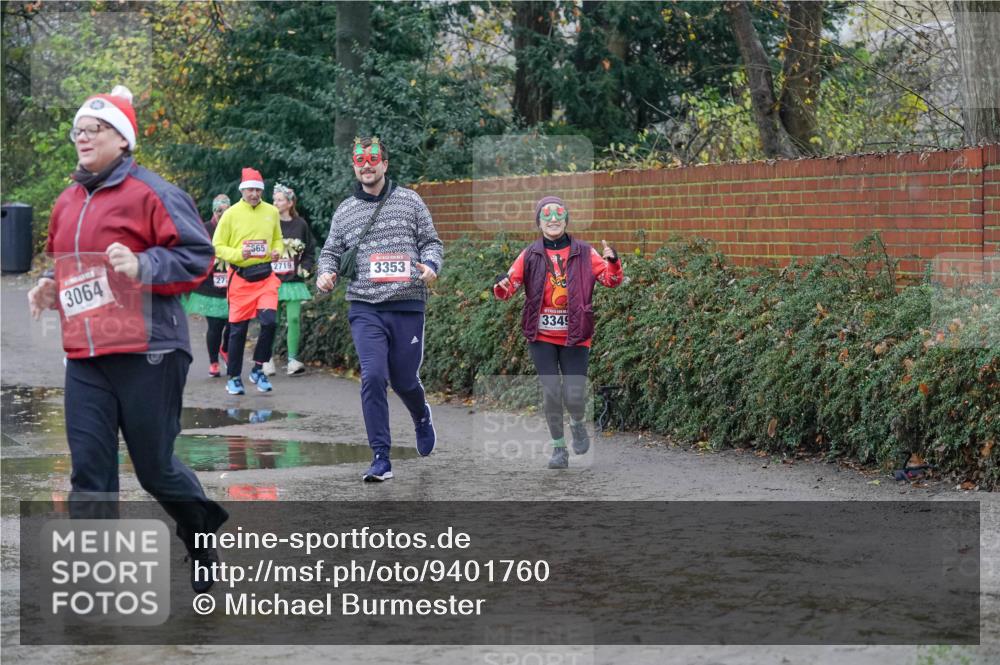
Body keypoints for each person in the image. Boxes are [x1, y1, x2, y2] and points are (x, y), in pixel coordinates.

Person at [26, 85, 228, 591]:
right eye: (78, 130)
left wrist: (143, 264)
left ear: (122, 137)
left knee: (155, 469)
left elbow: (197, 256)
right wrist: (51, 287)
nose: (82, 138)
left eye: (93, 129)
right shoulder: (68, 200)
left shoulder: (152, 192)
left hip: (150, 351)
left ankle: (202, 530)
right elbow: (69, 267)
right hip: (87, 356)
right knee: (89, 473)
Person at [317, 137, 444, 482]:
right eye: (360, 160)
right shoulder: (345, 210)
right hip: (364, 306)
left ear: (385, 164)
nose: (366, 165)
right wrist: (325, 274)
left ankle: (420, 416)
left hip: (407, 304)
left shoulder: (410, 200)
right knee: (373, 376)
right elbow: (330, 251)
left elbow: (431, 241)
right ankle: (380, 457)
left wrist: (431, 264)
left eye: (373, 159)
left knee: (404, 379)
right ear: (354, 166)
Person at [493, 196, 623, 469]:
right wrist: (501, 284)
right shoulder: (530, 254)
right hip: (541, 336)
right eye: (547, 216)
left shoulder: (585, 252)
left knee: (574, 394)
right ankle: (558, 449)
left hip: (576, 334)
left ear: (566, 220)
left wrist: (613, 262)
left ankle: (577, 423)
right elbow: (508, 289)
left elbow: (612, 281)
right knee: (551, 391)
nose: (553, 220)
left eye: (558, 215)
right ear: (538, 222)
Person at [211, 168, 283, 395]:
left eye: (258, 190)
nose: (254, 194)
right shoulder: (231, 214)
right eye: (250, 189)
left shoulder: (271, 211)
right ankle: (233, 377)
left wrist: (276, 251)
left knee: (270, 322)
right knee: (238, 330)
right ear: (242, 190)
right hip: (240, 278)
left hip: (265, 277)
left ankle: (258, 369)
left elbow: (278, 239)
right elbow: (217, 246)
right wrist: (238, 254)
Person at [261, 183, 316, 377]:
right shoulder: (267, 223)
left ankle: (293, 359)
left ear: (290, 202)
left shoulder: (300, 224)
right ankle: (266, 359)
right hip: (271, 281)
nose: (275, 202)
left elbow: (310, 250)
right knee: (270, 322)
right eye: (274, 199)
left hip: (293, 282)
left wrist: (306, 267)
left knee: (293, 319)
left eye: (279, 199)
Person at [183, 194, 231, 377]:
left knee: (233, 324)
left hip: (231, 284)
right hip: (210, 285)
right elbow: (196, 252)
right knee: (215, 326)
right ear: (214, 211)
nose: (222, 215)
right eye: (219, 211)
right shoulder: (204, 229)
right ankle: (213, 363)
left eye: (226, 211)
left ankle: (225, 348)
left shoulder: (235, 227)